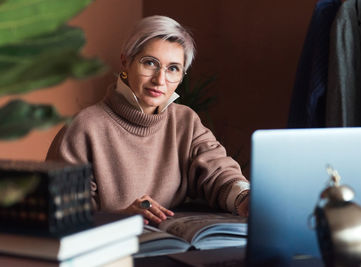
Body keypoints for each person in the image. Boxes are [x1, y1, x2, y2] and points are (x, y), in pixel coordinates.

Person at [46, 15, 250, 225]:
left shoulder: (185, 121)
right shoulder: (84, 128)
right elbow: (61, 213)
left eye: (173, 68)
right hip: (109, 250)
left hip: (171, 246)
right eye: (150, 63)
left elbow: (218, 172)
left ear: (181, 75)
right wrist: (120, 219)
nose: (160, 80)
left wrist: (244, 197)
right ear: (125, 61)